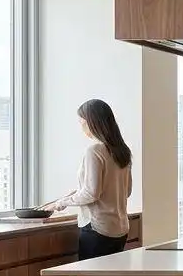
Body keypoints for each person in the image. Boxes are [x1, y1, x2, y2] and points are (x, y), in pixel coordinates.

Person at [53, 99, 133, 261]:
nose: (81, 128)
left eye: (82, 123)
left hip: (98, 228)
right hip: (120, 228)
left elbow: (91, 193)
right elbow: (127, 191)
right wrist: (73, 194)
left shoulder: (94, 150)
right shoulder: (122, 150)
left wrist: (61, 203)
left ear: (92, 123)